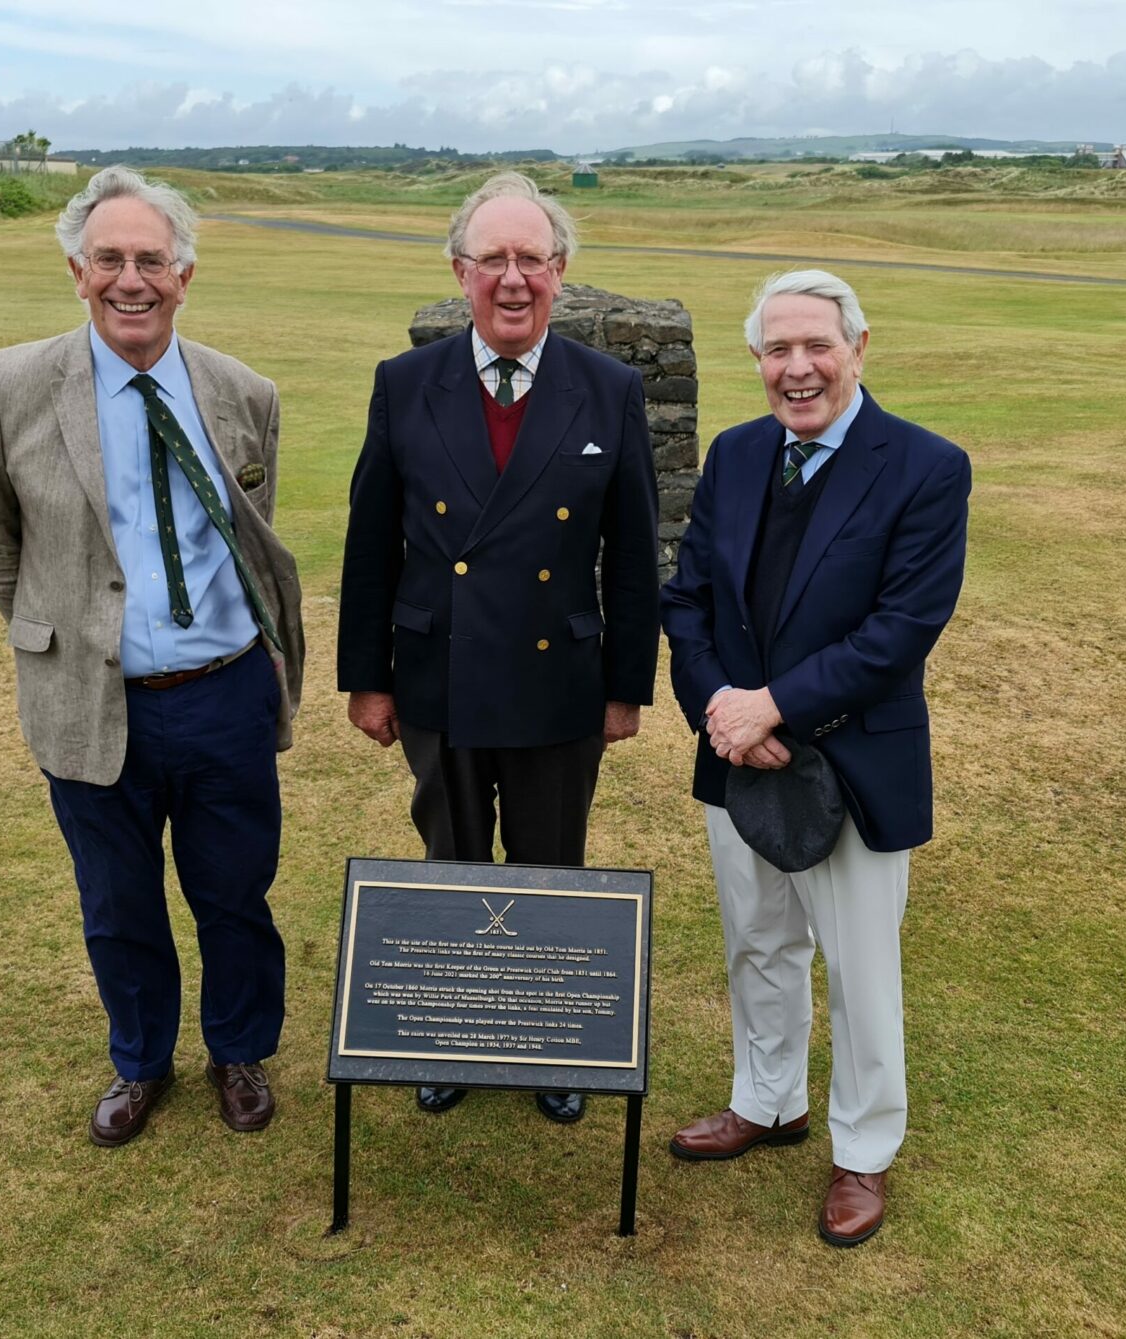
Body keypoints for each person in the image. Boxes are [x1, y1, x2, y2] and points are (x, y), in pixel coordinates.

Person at [0, 165, 305, 1149]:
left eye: (152, 259)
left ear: (185, 275)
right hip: (89, 696)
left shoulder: (245, 393)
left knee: (235, 890)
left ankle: (239, 1049)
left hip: (225, 692)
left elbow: (252, 530)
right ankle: (141, 1060)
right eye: (109, 258)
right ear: (77, 269)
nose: (131, 278)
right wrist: (56, 634)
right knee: (117, 902)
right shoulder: (12, 383)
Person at [336, 171, 660, 1125]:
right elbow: (371, 541)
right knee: (453, 858)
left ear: (561, 273)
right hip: (441, 670)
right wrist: (367, 679)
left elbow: (633, 553)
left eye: (532, 260)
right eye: (493, 261)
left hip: (561, 673)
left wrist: (627, 686)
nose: (512, 280)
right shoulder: (405, 383)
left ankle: (555, 1045)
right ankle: (450, 1035)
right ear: (459, 272)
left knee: (551, 863)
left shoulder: (610, 389)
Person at [661, 269, 970, 1245]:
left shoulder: (925, 467)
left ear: (860, 349)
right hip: (738, 757)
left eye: (816, 347)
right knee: (758, 942)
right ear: (757, 361)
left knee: (861, 969)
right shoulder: (736, 455)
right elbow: (688, 600)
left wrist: (772, 706)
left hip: (853, 764)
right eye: (776, 351)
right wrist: (721, 707)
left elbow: (899, 630)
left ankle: (864, 1152)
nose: (798, 369)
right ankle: (770, 1100)